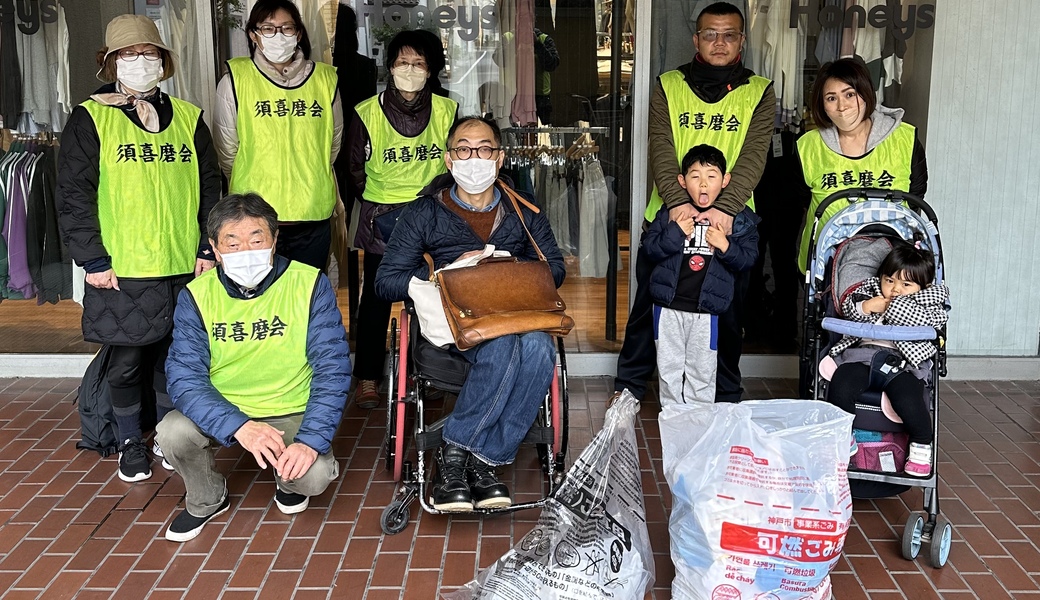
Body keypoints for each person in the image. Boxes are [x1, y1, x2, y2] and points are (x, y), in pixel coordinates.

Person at [56, 15, 220, 483]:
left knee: (178, 355)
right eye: (128, 54)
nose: (140, 61)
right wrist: (92, 258)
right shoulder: (92, 118)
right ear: (110, 63)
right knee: (127, 361)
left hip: (186, 263)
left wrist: (208, 250)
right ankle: (130, 440)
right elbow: (73, 193)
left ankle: (169, 437)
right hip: (123, 266)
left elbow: (211, 186)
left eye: (149, 53)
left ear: (164, 62)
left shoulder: (189, 118)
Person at [375, 116, 565, 512]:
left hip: (514, 315)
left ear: (499, 158)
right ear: (449, 159)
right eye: (464, 149)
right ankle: (475, 461)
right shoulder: (423, 214)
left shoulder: (524, 212)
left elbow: (556, 269)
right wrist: (441, 273)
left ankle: (470, 458)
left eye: (484, 149)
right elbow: (386, 280)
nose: (473, 158)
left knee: (540, 351)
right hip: (453, 326)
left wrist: (507, 269)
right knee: (502, 349)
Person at [157, 193, 351, 542]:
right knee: (173, 432)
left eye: (257, 239)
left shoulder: (308, 284)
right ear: (214, 249)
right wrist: (239, 425)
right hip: (226, 406)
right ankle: (206, 499)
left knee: (314, 476)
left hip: (290, 407)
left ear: (275, 240)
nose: (246, 251)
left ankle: (288, 482)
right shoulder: (197, 295)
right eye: (232, 243)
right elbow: (185, 378)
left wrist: (309, 442)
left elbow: (332, 369)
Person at [613, 2, 774, 404]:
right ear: (695, 39)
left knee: (727, 311)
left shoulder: (760, 90)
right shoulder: (668, 84)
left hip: (732, 220)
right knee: (652, 302)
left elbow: (754, 155)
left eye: (729, 35)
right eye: (710, 34)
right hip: (669, 215)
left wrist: (723, 209)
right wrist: (678, 203)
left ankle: (725, 393)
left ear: (741, 39)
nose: (719, 43)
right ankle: (630, 387)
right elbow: (661, 147)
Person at [347, 30, 458, 410]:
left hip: (434, 217)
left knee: (438, 294)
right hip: (385, 220)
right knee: (377, 300)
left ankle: (436, 371)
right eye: (402, 63)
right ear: (390, 68)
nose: (409, 70)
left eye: (419, 63)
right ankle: (366, 376)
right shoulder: (366, 112)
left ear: (431, 70)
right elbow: (354, 171)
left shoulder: (448, 110)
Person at [213, 0, 342, 271]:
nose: (278, 35)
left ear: (299, 33)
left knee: (306, 299)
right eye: (268, 28)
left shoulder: (325, 79)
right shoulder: (236, 79)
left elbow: (333, 143)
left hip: (312, 217)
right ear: (253, 35)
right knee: (260, 302)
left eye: (286, 28)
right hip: (253, 223)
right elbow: (227, 152)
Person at [641, 145, 759, 405]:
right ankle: (672, 416)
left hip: (707, 310)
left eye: (711, 176)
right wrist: (674, 232)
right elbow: (650, 249)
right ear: (682, 181)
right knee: (669, 367)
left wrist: (726, 246)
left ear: (726, 180)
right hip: (668, 306)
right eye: (695, 176)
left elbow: (748, 259)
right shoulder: (672, 214)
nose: (703, 184)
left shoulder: (736, 220)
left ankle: (700, 420)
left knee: (702, 369)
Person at [825, 242, 948, 476]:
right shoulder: (872, 291)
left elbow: (933, 322)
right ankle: (843, 435)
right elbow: (849, 309)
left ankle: (922, 443)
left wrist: (895, 307)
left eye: (906, 284)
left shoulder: (929, 301)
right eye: (889, 280)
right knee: (841, 383)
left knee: (910, 399)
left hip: (902, 364)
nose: (895, 289)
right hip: (862, 357)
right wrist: (867, 306)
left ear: (923, 287)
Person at [795, 57, 928, 273]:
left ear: (866, 93)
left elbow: (916, 195)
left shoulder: (905, 138)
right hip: (826, 262)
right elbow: (801, 199)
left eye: (849, 94)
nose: (842, 106)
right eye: (831, 98)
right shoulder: (808, 146)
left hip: (893, 262)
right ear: (822, 104)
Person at [534, 28, 560, 124]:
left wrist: (538, 45)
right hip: (516, 95)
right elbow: (497, 60)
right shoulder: (510, 37)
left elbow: (552, 64)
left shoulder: (544, 39)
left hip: (541, 96)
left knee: (543, 132)